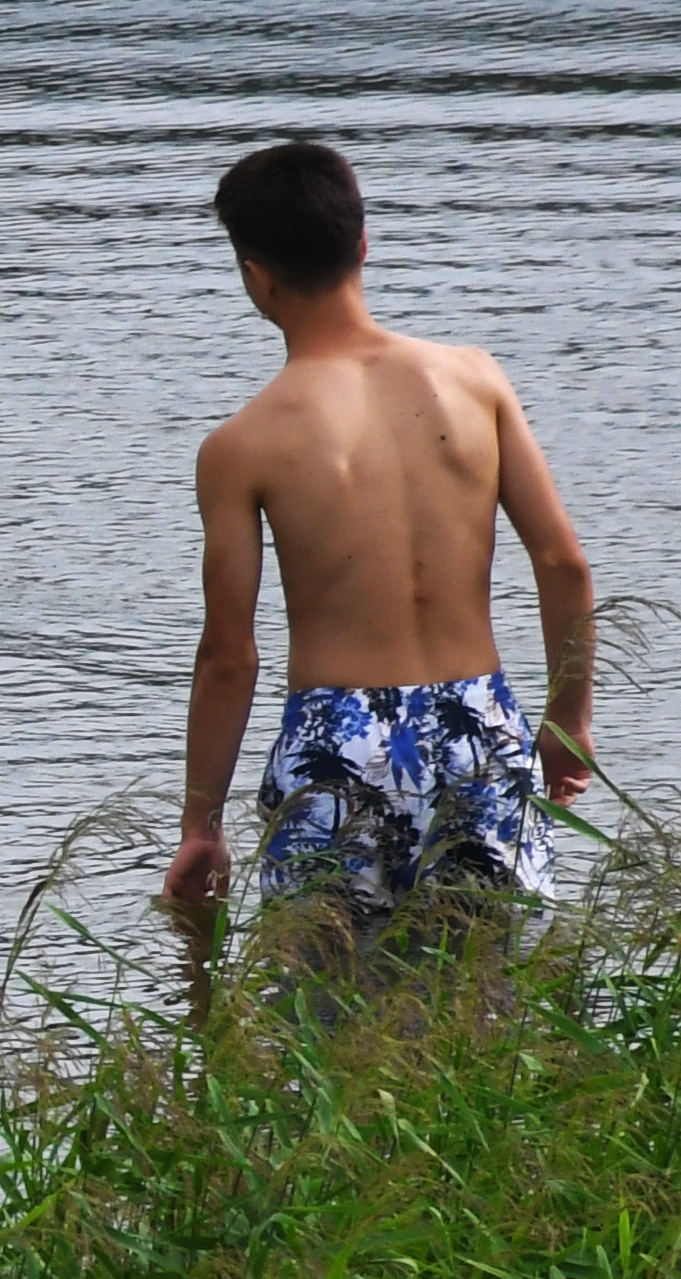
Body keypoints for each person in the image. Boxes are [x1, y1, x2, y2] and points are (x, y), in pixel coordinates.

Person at [162, 140, 598, 921]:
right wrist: (568, 719)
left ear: (254, 275)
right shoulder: (476, 380)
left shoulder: (242, 445)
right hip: (481, 734)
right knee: (494, 1002)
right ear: (364, 244)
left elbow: (229, 656)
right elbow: (563, 564)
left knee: (323, 1016)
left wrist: (202, 822)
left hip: (338, 746)